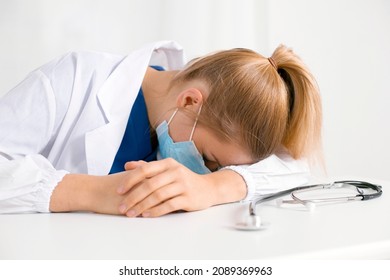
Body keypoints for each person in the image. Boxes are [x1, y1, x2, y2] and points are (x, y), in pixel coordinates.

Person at [0, 41, 321, 217]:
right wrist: (96, 192)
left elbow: (296, 165)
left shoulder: (194, 117)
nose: (204, 171)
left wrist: (212, 188)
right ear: (190, 102)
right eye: (209, 159)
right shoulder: (73, 79)